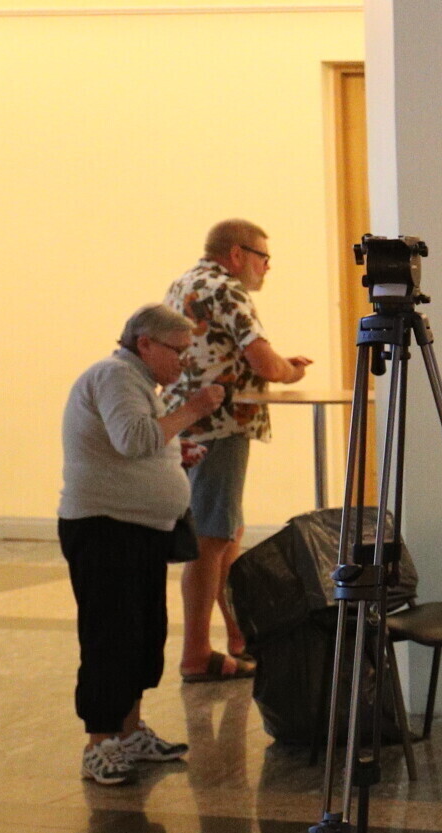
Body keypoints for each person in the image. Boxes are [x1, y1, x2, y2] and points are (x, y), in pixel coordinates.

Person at [61, 305, 229, 786]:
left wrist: (174, 450)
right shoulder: (115, 376)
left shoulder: (137, 383)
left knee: (141, 635)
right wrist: (194, 409)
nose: (184, 361)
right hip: (105, 528)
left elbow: (137, 442)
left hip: (138, 528)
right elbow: (134, 440)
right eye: (178, 350)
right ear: (145, 344)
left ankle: (130, 732)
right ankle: (99, 743)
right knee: (110, 637)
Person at [164, 219, 313, 682]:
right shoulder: (227, 289)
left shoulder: (184, 283)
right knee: (210, 540)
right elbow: (264, 363)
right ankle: (195, 654)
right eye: (263, 257)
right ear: (236, 254)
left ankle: (240, 637)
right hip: (219, 424)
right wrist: (292, 370)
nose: (267, 267)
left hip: (189, 424)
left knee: (226, 534)